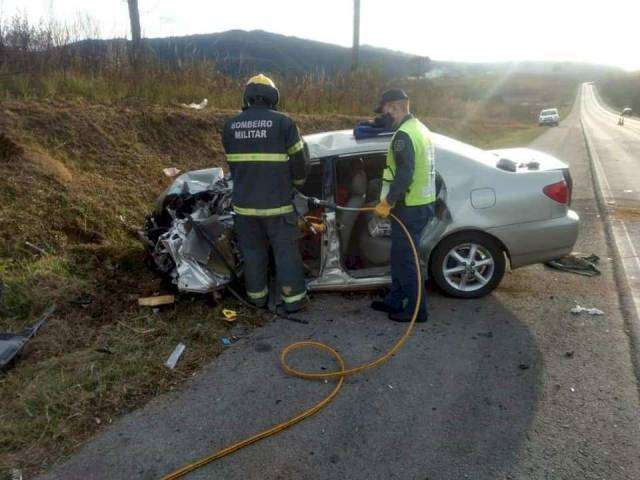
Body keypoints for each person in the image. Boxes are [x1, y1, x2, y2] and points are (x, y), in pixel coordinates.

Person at [221, 74, 309, 313]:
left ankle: (257, 299)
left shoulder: (230, 126)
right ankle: (294, 301)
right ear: (273, 97)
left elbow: (235, 166)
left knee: (253, 254)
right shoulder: (284, 123)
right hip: (277, 207)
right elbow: (300, 163)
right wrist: (297, 184)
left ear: (247, 97)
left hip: (244, 208)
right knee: (285, 252)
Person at [371, 88, 436, 323]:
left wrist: (387, 202)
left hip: (409, 207)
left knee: (407, 260)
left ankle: (418, 310)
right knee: (399, 257)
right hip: (421, 204)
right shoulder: (421, 129)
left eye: (385, 110)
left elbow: (405, 175)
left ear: (394, 107)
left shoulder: (403, 136)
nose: (384, 115)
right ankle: (395, 299)